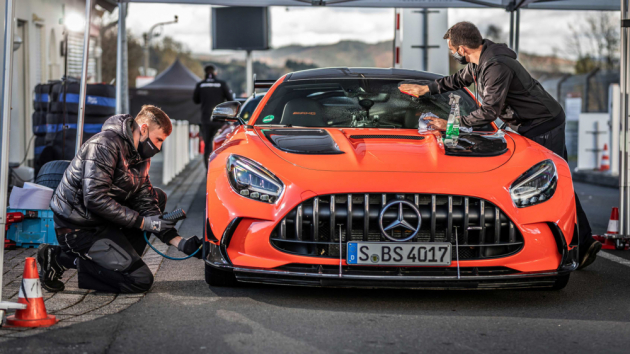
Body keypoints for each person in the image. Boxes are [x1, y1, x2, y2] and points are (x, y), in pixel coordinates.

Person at [399, 21, 601, 270]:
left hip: (542, 124)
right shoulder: (480, 61)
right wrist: (426, 89)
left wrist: (449, 123)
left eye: (452, 49)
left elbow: (488, 113)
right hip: (531, 123)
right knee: (553, 181)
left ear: (462, 48)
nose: (453, 53)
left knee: (546, 182)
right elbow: (456, 80)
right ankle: (584, 243)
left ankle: (570, 246)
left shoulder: (495, 66)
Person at [38, 105, 203, 293]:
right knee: (139, 280)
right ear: (143, 129)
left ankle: (120, 261)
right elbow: (94, 198)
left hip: (104, 221)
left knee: (157, 196)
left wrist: (180, 243)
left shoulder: (140, 155)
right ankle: (58, 258)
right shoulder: (103, 144)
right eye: (158, 140)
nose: (158, 148)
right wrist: (142, 223)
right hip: (79, 227)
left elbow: (146, 201)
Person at [193, 64, 233, 168]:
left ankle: (208, 169)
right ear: (215, 73)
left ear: (205, 73)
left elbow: (195, 100)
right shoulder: (222, 84)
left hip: (206, 120)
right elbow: (230, 100)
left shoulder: (200, 85)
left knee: (207, 145)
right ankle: (220, 166)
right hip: (220, 119)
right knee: (222, 144)